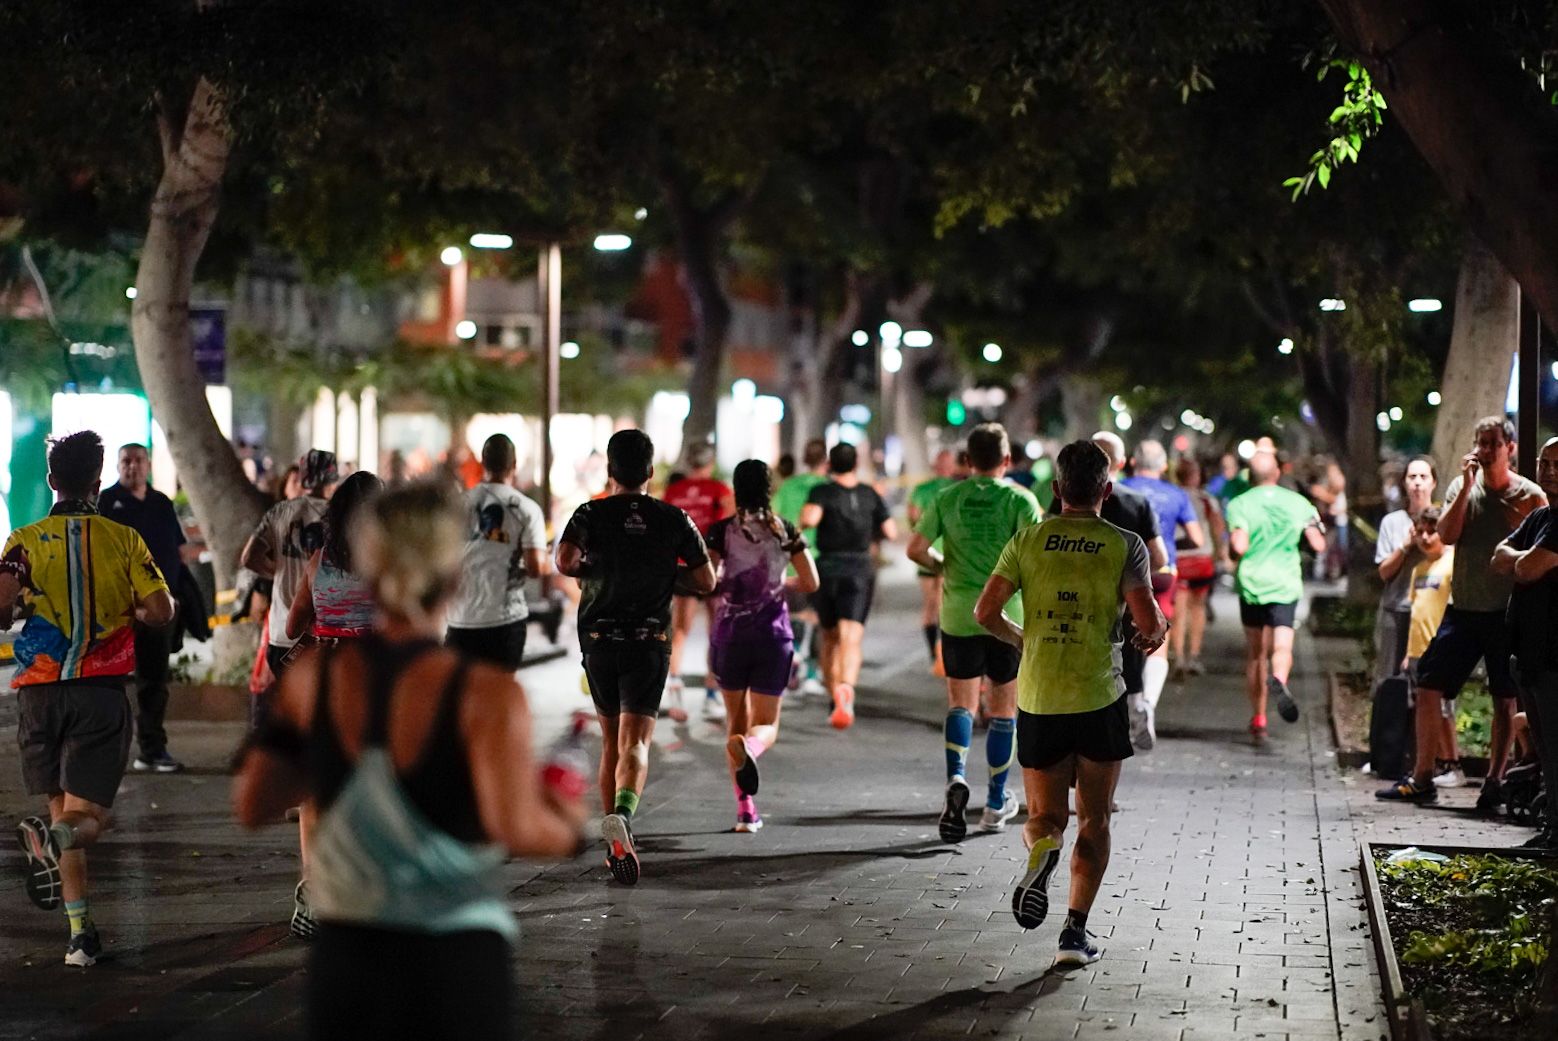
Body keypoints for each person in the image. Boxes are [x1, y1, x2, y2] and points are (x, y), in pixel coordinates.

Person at [233, 482, 586, 1039]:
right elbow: (517, 827)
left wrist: (322, 753)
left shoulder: (313, 684)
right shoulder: (484, 695)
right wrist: (567, 814)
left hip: (349, 954)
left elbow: (253, 802)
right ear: (453, 574)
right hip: (455, 956)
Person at [974, 440, 1165, 968]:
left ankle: (1042, 850)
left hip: (1039, 697)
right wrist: (1158, 631)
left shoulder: (1027, 540)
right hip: (1099, 696)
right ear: (1105, 490)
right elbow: (1148, 624)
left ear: (1056, 490)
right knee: (1095, 819)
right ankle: (1073, 935)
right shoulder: (1125, 543)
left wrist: (1021, 638)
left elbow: (985, 611)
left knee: (1044, 816)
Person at [3, 431, 175, 967]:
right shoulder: (123, 539)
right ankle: (51, 843)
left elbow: (0, 609)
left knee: (60, 807)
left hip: (37, 693)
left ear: (52, 481)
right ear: (97, 482)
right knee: (85, 820)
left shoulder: (22, 541)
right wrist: (136, 613)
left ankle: (80, 936)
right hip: (98, 693)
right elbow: (161, 609)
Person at [556, 430, 715, 885]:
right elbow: (705, 582)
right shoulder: (674, 519)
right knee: (636, 743)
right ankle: (624, 814)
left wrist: (599, 572)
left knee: (610, 741)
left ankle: (613, 839)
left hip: (600, 636)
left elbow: (564, 561)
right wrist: (664, 578)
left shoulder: (590, 512)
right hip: (649, 638)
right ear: (649, 472)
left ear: (610, 470)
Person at [1378, 417, 1544, 808]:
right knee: (1429, 683)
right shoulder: (1460, 488)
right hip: (1464, 607)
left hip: (1504, 612)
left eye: (1493, 444)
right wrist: (1467, 486)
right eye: (1480, 443)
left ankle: (1494, 780)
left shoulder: (1530, 495)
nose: (1485, 451)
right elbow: (1448, 535)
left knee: (1504, 697)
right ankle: (1423, 776)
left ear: (1510, 448)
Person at [907, 424, 1041, 843]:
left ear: (967, 461)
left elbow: (915, 549)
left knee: (960, 704)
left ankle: (956, 779)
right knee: (1003, 709)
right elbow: (1035, 555)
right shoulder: (1021, 499)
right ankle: (996, 803)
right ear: (1007, 461)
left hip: (959, 615)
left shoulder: (947, 497)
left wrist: (943, 564)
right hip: (1007, 616)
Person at [704, 460, 819, 832]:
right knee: (765, 724)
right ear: (769, 489)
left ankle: (745, 811)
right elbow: (811, 581)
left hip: (730, 636)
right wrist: (779, 585)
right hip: (773, 636)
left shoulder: (720, 532)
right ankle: (752, 749)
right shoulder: (784, 530)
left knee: (734, 724)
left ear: (736, 490)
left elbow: (706, 581)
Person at [97, 442, 189, 773]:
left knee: (154, 681)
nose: (131, 466)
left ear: (148, 465)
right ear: (117, 466)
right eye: (126, 461)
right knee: (110, 681)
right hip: (117, 611)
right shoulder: (106, 502)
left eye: (138, 460)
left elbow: (177, 551)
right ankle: (105, 752)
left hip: (157, 609)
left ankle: (151, 749)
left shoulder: (161, 503)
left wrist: (175, 594)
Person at [1487, 437, 1558, 847]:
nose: (1548, 471)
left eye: (1557, 464)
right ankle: (1551, 827)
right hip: (1529, 656)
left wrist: (1523, 560)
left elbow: (1527, 568)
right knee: (1544, 750)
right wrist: (1524, 559)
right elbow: (1499, 556)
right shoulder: (1541, 518)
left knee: (1556, 746)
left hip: (1554, 658)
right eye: (1544, 463)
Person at [1226, 450, 1326, 739]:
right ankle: (1280, 678)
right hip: (1285, 583)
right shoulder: (1299, 503)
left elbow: (1240, 546)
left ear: (1249, 476)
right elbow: (1317, 544)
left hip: (1253, 584)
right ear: (1277, 473)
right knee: (1282, 647)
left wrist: (1232, 551)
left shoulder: (1240, 503)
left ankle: (1258, 717)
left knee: (1256, 655)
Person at [801, 442, 898, 729]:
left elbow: (809, 519)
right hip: (859, 569)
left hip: (827, 568)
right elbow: (891, 532)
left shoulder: (822, 491)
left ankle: (834, 699)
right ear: (856, 464)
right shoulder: (870, 494)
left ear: (830, 464)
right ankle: (847, 688)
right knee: (851, 637)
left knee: (829, 637)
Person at [444, 434, 549, 672]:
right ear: (514, 464)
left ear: (483, 463)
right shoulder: (526, 509)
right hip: (504, 621)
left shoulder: (456, 504)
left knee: (460, 699)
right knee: (496, 696)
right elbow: (535, 568)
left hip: (460, 618)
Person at [1092, 433, 1168, 750]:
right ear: (1122, 463)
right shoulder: (1136, 503)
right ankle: (1137, 709)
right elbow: (1160, 558)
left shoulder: (1064, 501)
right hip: (1124, 600)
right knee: (1128, 666)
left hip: (1076, 603)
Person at [241, 450, 338, 690]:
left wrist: (278, 572)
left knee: (288, 704)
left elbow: (248, 557)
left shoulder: (280, 511)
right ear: (333, 479)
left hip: (281, 632)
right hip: (321, 633)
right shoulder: (338, 518)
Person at [1121, 440, 1203, 701]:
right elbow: (1197, 539)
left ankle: (1128, 697)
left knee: (1122, 630)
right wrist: (1173, 544)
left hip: (1125, 571)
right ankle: (1148, 703)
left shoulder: (1118, 490)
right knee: (1158, 633)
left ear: (1132, 462)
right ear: (1164, 466)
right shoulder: (1177, 494)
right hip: (1163, 570)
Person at [663, 442, 735, 722]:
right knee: (715, 630)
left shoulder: (674, 491)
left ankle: (676, 693)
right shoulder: (720, 490)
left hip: (681, 566)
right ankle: (711, 696)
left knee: (679, 629)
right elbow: (728, 525)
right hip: (711, 565)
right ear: (710, 462)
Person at [1401, 508, 1462, 787]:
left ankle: (1453, 763)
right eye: (1420, 532)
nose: (1425, 538)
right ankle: (1435, 763)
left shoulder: (1451, 564)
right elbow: (1416, 609)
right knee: (1425, 708)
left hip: (1440, 648)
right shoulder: (1419, 569)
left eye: (1431, 531)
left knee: (1445, 711)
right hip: (1416, 650)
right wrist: (1407, 654)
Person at [287, 471, 384, 646]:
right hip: (373, 666)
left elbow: (292, 629)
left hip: (326, 665)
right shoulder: (390, 563)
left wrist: (327, 625)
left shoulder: (318, 560)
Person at [1374, 457, 1438, 689]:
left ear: (1433, 483)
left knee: (1429, 681)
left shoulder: (1443, 521)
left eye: (1424, 477)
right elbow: (1384, 572)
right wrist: (1405, 546)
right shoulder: (1392, 523)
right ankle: (1390, 725)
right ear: (1404, 483)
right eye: (1412, 477)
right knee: (1390, 679)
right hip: (1397, 608)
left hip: (1432, 612)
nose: (1418, 483)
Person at [773, 439, 829, 697]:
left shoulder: (788, 486)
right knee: (818, 617)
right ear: (825, 461)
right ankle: (811, 674)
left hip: (792, 558)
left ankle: (792, 658)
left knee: (794, 613)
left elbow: (776, 520)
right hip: (822, 557)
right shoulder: (828, 487)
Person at [1169, 457, 1225, 677]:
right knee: (1198, 608)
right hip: (1201, 560)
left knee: (1178, 610)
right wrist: (1220, 551)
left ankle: (1179, 657)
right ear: (1196, 476)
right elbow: (1218, 526)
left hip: (1178, 558)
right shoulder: (1206, 499)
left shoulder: (1172, 496)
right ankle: (1194, 655)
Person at [908, 448, 960, 671]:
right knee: (944, 604)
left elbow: (913, 518)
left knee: (930, 605)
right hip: (950, 551)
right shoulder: (958, 489)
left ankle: (933, 652)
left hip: (926, 550)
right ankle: (942, 653)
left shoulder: (921, 489)